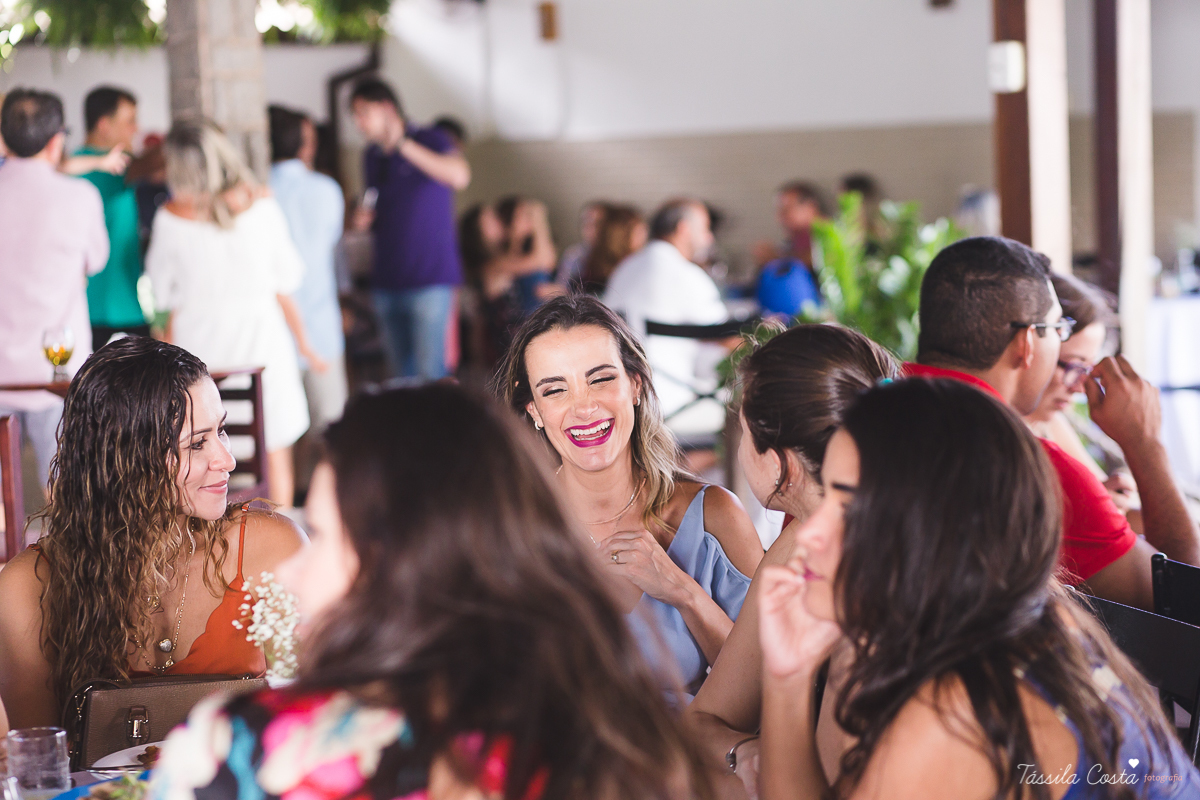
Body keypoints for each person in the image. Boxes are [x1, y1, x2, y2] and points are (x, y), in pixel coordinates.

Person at [148, 383, 713, 800]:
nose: (291, 573)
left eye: (320, 537)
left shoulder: (241, 751)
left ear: (399, 564)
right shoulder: (619, 740)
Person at [757, 378, 1200, 799]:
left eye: (849, 508)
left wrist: (787, 682)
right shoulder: (1035, 620)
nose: (812, 532)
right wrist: (788, 677)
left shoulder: (949, 715)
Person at [0, 338, 305, 729]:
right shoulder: (30, 586)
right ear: (124, 460)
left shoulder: (271, 550)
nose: (227, 460)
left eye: (221, 430)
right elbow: (41, 768)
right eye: (196, 444)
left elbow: (312, 718)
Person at [909, 236, 1200, 610]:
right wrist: (1146, 445)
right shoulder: (1037, 471)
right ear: (1028, 342)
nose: (1077, 383)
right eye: (1058, 328)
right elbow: (1184, 605)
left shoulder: (868, 404)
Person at [495, 295, 763, 696]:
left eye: (601, 379)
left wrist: (684, 592)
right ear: (534, 410)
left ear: (635, 384)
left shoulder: (715, 517)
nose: (584, 407)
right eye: (555, 391)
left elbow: (769, 688)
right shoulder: (509, 529)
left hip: (689, 753)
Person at [685, 324, 899, 798]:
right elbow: (702, 721)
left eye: (742, 430)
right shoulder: (800, 543)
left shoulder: (869, 582)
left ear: (780, 463)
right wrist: (745, 750)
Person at [146, 120, 317, 508]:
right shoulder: (263, 207)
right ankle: (279, 548)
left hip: (199, 351)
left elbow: (160, 292)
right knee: (274, 453)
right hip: (262, 344)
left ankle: (200, 553)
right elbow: (287, 278)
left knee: (193, 452)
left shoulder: (170, 218)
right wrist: (307, 343)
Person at [0, 88, 108, 491]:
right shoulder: (79, 197)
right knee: (66, 500)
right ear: (56, 140)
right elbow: (95, 260)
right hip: (57, 372)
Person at [350, 78, 470, 381]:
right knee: (399, 376)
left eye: (364, 112)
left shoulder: (431, 138)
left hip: (430, 278)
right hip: (387, 279)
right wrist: (363, 219)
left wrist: (402, 145)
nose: (358, 122)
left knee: (431, 374)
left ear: (387, 108)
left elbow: (458, 176)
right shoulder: (371, 156)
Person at [603, 198, 731, 441]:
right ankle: (679, 468)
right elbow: (727, 337)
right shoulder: (686, 274)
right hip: (675, 405)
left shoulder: (625, 269)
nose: (709, 239)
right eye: (705, 229)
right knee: (741, 414)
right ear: (683, 228)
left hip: (627, 401)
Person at [1024, 273, 1140, 519]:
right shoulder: (1006, 437)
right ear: (1028, 348)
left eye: (1086, 371)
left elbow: (1116, 510)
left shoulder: (1047, 423)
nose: (1079, 388)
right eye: (1071, 366)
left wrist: (1109, 497)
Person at [268, 105, 348, 444]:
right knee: (331, 426)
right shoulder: (327, 189)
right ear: (305, 146)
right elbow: (330, 243)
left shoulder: (259, 192)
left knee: (280, 432)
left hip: (274, 328)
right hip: (320, 323)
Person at [76, 86, 151, 348]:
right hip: (98, 313)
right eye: (130, 121)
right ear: (104, 125)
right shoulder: (89, 168)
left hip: (123, 306)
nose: (136, 129)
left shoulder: (125, 167)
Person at [458, 198, 559, 373]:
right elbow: (544, 260)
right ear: (480, 232)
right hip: (506, 345)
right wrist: (538, 219)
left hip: (517, 339)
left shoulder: (502, 260)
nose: (498, 221)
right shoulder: (490, 265)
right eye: (490, 220)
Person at [580, 204, 647, 296]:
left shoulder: (638, 261)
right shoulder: (594, 270)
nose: (644, 235)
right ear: (620, 234)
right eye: (638, 231)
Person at [556, 201, 607, 290]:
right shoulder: (574, 254)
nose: (590, 228)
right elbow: (561, 286)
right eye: (586, 222)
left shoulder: (617, 256)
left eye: (597, 223)